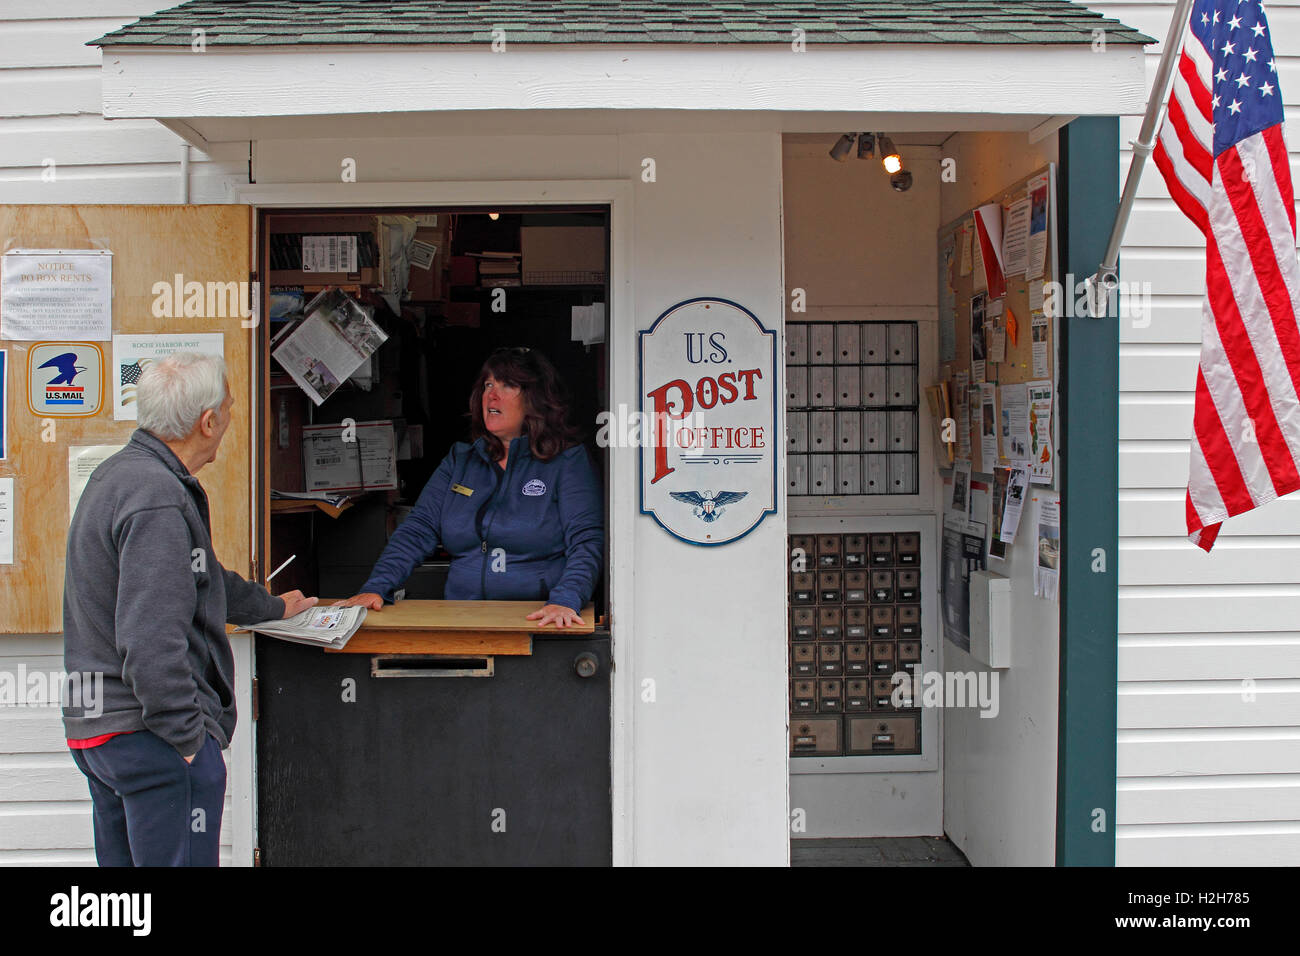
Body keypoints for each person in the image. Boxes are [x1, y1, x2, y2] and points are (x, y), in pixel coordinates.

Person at [62, 351, 317, 867]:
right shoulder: (157, 496)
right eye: (226, 408)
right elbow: (150, 640)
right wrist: (186, 742)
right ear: (208, 422)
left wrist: (268, 606)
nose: (228, 418)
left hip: (103, 735)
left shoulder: (120, 475)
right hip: (151, 737)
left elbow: (197, 576)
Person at [338, 347, 603, 627]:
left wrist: (565, 599)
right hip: (464, 616)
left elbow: (587, 541)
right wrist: (376, 586)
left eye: (507, 385)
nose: (492, 394)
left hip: (538, 619)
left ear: (535, 398)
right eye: (488, 384)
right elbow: (418, 529)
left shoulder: (567, 462)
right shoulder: (461, 460)